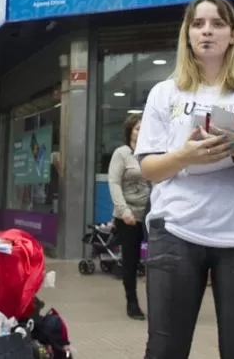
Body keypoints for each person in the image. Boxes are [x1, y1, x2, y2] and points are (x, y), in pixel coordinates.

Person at [136, 0, 234, 359]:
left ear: (233, 34)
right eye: (198, 24)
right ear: (187, 34)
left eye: (217, 24)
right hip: (176, 231)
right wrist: (184, 156)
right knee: (165, 348)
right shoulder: (164, 92)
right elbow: (149, 168)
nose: (207, 31)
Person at [107, 112, 150, 320]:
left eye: (144, 128)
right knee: (131, 261)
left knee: (158, 262)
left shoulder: (152, 152)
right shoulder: (122, 153)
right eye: (137, 128)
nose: (141, 131)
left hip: (150, 215)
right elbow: (114, 183)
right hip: (129, 216)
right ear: (130, 132)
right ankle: (132, 303)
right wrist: (124, 211)